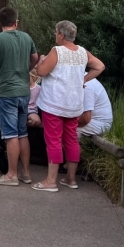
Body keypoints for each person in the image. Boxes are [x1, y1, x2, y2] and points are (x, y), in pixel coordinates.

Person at [33, 20, 105, 191]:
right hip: (74, 105)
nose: (55, 35)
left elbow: (41, 71)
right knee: (71, 140)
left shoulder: (57, 51)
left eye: (56, 32)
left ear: (62, 35)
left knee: (53, 140)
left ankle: (51, 181)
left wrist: (41, 60)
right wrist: (85, 79)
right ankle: (71, 179)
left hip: (54, 103)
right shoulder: (82, 52)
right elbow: (100, 66)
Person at [0, 7, 38, 187]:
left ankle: (11, 175)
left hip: (7, 92)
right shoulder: (26, 37)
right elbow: (35, 58)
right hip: (23, 91)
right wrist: (25, 69)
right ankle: (26, 173)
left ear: (1, 23)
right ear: (16, 22)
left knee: (10, 133)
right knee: (22, 133)